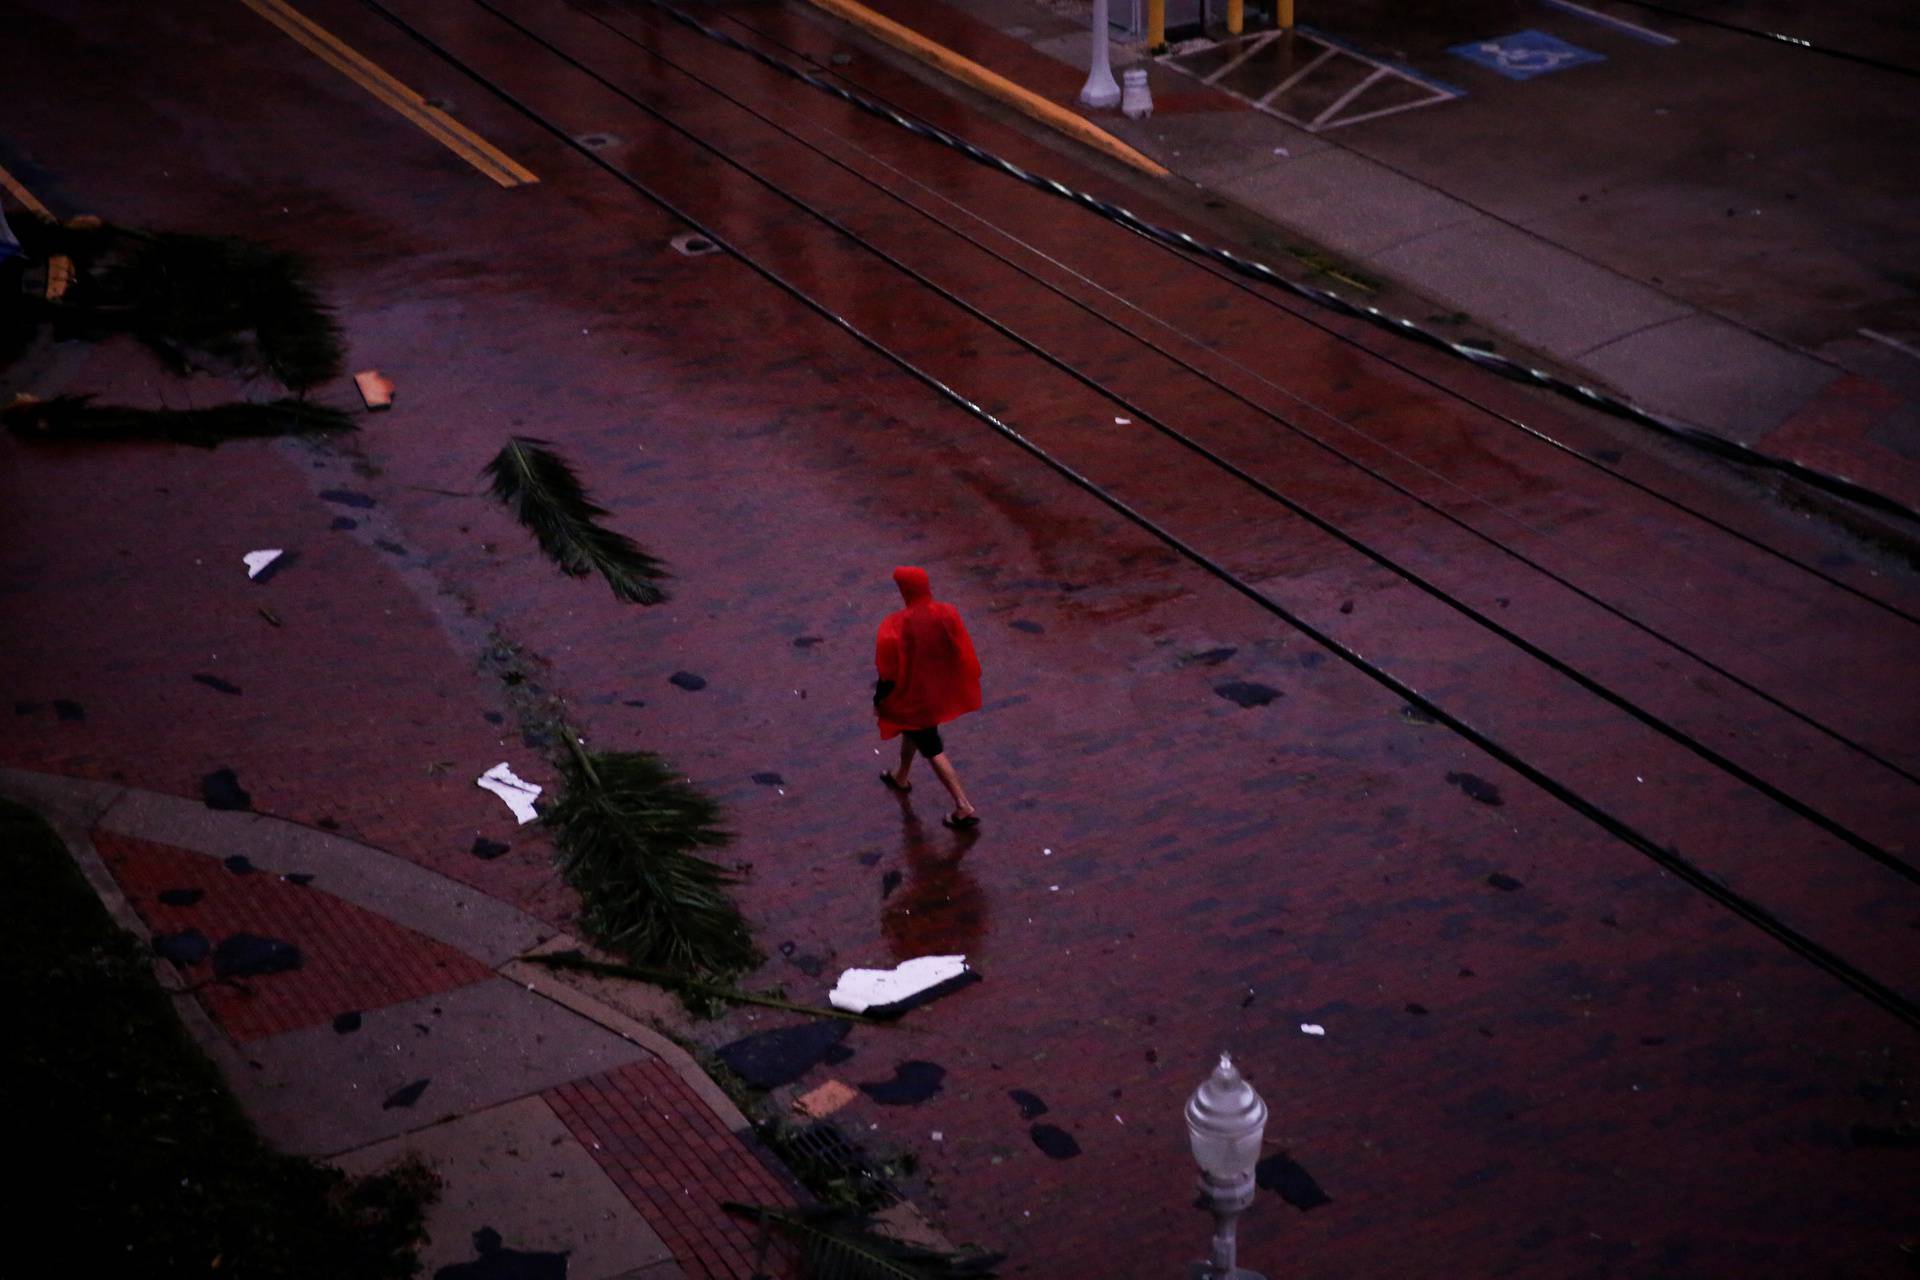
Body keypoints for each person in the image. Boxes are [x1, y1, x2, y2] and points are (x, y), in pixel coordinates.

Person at [874, 566, 982, 829]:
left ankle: (962, 806)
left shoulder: (896, 623)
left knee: (932, 747)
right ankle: (901, 775)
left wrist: (880, 699)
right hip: (937, 690)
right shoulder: (947, 612)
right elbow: (960, 648)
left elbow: (888, 668)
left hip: (913, 696)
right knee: (914, 731)